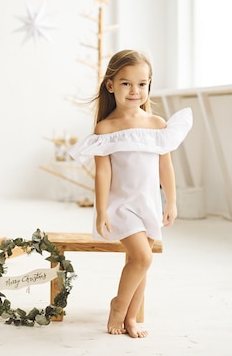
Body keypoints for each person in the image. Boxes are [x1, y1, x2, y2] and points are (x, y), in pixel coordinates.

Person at [68, 49, 192, 338]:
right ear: (111, 85)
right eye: (126, 83)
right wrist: (101, 210)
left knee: (139, 263)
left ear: (149, 85)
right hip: (121, 206)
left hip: (148, 203)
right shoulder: (106, 128)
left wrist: (171, 201)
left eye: (142, 84)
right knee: (143, 258)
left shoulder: (157, 125)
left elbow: (165, 167)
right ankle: (118, 307)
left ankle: (131, 320)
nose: (135, 90)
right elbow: (103, 173)